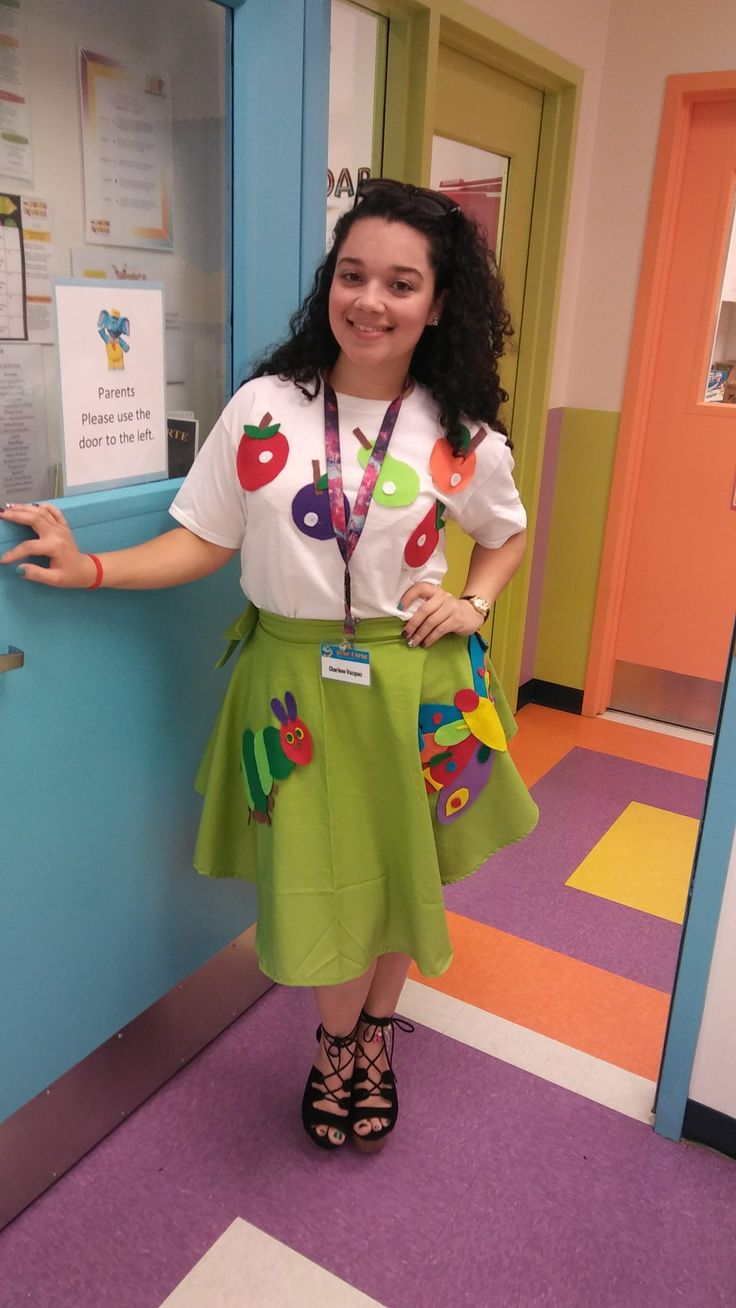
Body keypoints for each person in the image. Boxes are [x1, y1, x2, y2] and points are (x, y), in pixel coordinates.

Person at [0, 178, 538, 1155]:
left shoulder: (457, 433)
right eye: (353, 274)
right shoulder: (265, 409)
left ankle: (369, 1035)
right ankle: (338, 1044)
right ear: (329, 283)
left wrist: (478, 600)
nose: (370, 300)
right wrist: (92, 569)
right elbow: (203, 539)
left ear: (440, 302)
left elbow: (504, 534)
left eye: (401, 283)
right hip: (294, 684)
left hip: (421, 682)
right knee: (322, 878)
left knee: (393, 873)